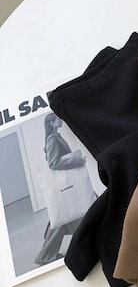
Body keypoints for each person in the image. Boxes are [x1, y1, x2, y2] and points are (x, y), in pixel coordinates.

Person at [35, 113, 86, 265]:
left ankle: (46, 256)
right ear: (52, 123)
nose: (61, 120)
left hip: (66, 186)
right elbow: (53, 163)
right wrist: (77, 160)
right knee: (64, 217)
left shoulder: (55, 137)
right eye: (58, 119)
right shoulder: (52, 139)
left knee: (62, 218)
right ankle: (46, 256)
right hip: (66, 185)